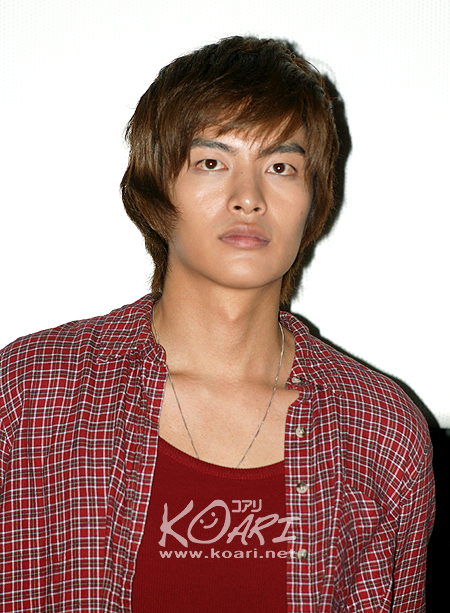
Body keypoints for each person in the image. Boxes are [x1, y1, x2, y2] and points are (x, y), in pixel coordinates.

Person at [0, 36, 434, 612]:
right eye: (212, 162)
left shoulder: (380, 429)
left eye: (280, 167)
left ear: (314, 199)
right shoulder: (31, 393)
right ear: (157, 188)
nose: (248, 198)